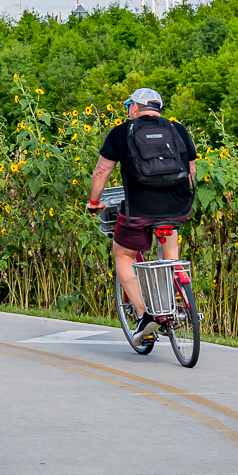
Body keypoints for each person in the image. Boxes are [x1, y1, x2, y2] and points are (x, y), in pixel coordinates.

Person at [86, 87, 197, 349]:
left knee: (123, 254)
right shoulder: (177, 130)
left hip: (139, 211)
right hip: (176, 208)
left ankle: (144, 316)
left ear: (135, 108)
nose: (128, 111)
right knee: (171, 257)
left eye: (128, 107)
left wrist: (94, 203)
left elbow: (102, 171)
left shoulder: (122, 132)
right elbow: (191, 170)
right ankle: (178, 299)